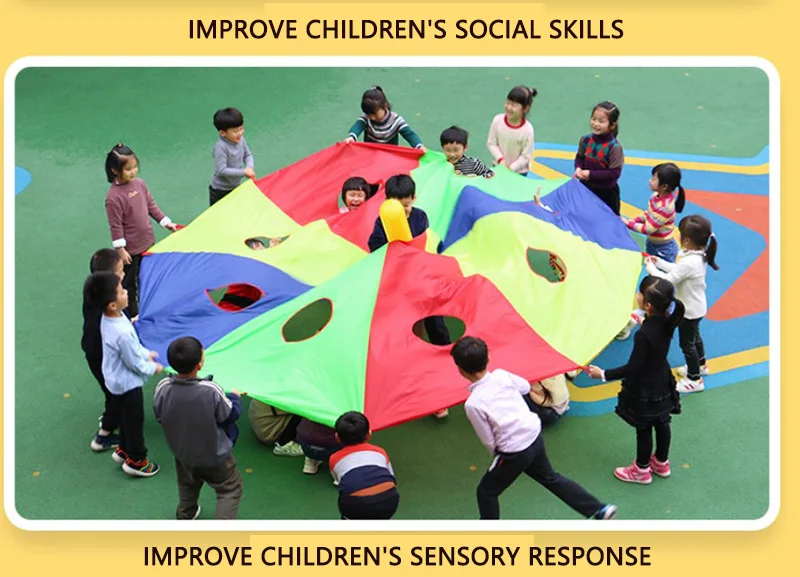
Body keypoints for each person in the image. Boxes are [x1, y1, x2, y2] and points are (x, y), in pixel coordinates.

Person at [451, 336, 617, 520]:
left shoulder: (473, 403)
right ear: (488, 358)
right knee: (550, 478)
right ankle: (599, 509)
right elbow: (524, 387)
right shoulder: (501, 375)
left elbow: (487, 438)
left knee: (486, 492)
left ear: (460, 370)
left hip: (513, 451)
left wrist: (498, 455)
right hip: (533, 436)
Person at [585, 276, 684, 484]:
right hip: (662, 382)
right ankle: (661, 462)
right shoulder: (668, 320)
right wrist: (644, 322)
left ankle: (641, 469)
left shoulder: (643, 335)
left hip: (644, 387)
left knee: (644, 428)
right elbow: (654, 334)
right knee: (663, 422)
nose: (637, 295)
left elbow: (633, 368)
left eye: (640, 293)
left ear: (648, 305)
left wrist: (602, 374)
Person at [367, 174, 451, 416]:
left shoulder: (420, 216)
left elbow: (429, 241)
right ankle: (408, 373)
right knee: (405, 329)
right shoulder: (383, 221)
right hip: (398, 285)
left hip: (422, 279)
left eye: (407, 204)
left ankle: (448, 358)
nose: (404, 210)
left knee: (436, 322)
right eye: (398, 204)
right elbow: (374, 246)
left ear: (414, 198)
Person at [153, 336, 244, 519]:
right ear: (200, 365)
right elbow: (229, 414)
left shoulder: (162, 387)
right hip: (214, 455)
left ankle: (186, 514)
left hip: (183, 453)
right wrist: (235, 397)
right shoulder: (210, 390)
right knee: (229, 488)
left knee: (188, 484)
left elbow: (159, 415)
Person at [84, 271, 162, 477]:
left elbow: (133, 350)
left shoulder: (110, 318)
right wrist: (153, 367)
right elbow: (133, 362)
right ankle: (137, 461)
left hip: (114, 381)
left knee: (125, 418)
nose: (126, 292)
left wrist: (146, 353)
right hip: (128, 384)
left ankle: (124, 449)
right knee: (134, 422)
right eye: (121, 291)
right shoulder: (122, 332)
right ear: (112, 304)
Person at [646, 215, 719, 393]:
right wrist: (660, 263)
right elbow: (678, 271)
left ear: (686, 240)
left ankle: (694, 379)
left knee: (687, 344)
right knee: (695, 338)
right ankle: (701, 364)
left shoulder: (690, 262)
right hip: (696, 307)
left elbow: (668, 281)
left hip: (688, 311)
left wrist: (650, 268)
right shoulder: (698, 256)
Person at [105, 143, 178, 319]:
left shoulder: (140, 184)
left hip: (148, 242)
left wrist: (166, 222)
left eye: (135, 167)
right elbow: (116, 225)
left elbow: (151, 205)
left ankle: (149, 304)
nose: (133, 172)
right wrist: (121, 249)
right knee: (130, 282)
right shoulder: (113, 198)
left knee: (148, 276)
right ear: (115, 170)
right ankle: (133, 313)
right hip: (130, 251)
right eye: (128, 169)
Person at [82, 248, 124, 452]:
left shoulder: (93, 292)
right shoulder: (106, 309)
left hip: (93, 351)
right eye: (120, 272)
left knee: (111, 391)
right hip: (103, 356)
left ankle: (111, 417)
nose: (123, 274)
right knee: (116, 394)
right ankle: (103, 436)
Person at [329, 411, 399, 520]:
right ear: (369, 434)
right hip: (389, 499)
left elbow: (339, 482)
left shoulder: (334, 459)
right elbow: (392, 477)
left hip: (356, 504)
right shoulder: (380, 452)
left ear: (337, 437)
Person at [623, 163, 686, 262]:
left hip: (664, 248)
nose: (650, 180)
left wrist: (628, 223)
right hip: (652, 243)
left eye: (653, 179)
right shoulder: (655, 196)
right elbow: (648, 213)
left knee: (663, 270)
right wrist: (635, 220)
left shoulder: (665, 207)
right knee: (651, 266)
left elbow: (648, 229)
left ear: (664, 186)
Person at [573, 101, 625, 215]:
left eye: (601, 121)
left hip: (606, 194)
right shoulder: (586, 140)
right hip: (585, 189)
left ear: (612, 125)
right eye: (594, 119)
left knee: (608, 221)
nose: (596, 124)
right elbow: (580, 157)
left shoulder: (614, 148)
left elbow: (614, 174)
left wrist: (590, 174)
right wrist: (578, 168)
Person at [344, 86, 426, 151]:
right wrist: (352, 136)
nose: (372, 117)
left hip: (389, 155)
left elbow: (409, 134)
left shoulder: (396, 120)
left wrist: (418, 146)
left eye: (374, 113)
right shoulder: (366, 118)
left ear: (384, 106)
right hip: (370, 155)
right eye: (368, 114)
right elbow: (358, 125)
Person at [209, 107, 255, 206]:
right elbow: (222, 170)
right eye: (235, 131)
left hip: (235, 187)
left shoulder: (241, 139)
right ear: (223, 133)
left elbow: (248, 155)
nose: (240, 133)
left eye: (241, 129)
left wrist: (249, 167)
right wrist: (243, 172)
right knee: (220, 213)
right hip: (220, 191)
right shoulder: (220, 147)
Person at [487, 86, 537, 175]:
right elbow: (491, 143)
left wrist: (511, 168)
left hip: (519, 173)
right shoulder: (497, 120)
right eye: (507, 103)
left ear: (525, 109)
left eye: (514, 105)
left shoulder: (528, 130)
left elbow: (526, 156)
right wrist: (500, 160)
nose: (509, 107)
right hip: (499, 167)